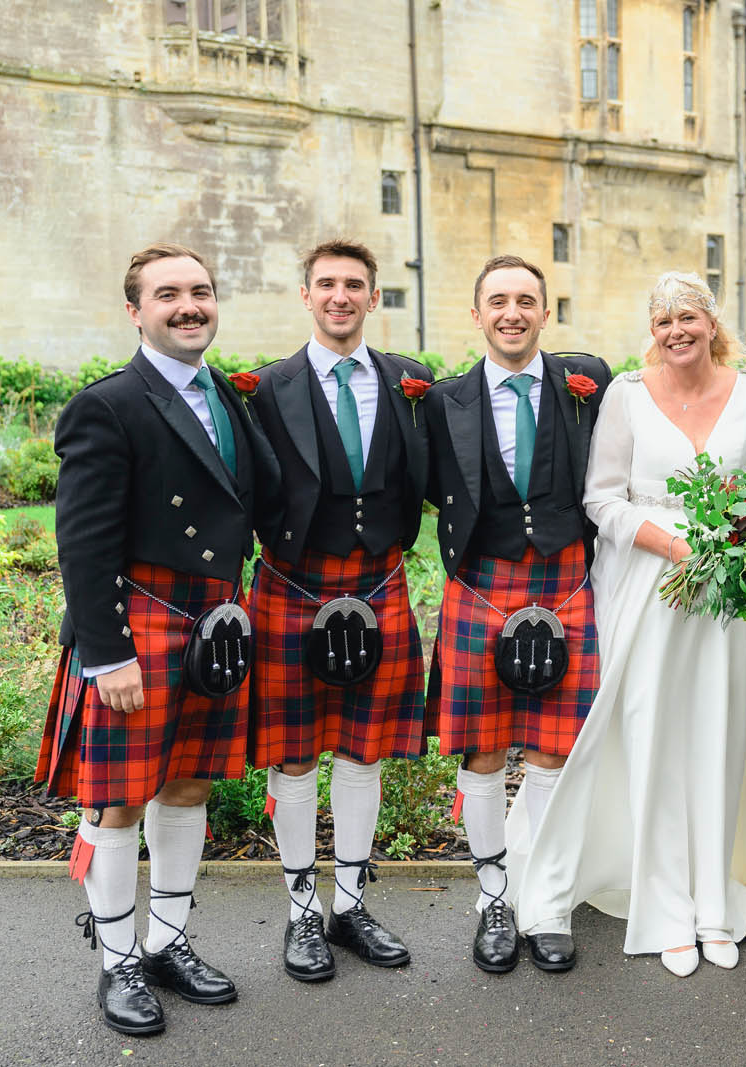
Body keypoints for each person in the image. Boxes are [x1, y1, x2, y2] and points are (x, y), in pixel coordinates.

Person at [516, 272, 746, 977]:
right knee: (654, 736)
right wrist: (672, 544)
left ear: (710, 321)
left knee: (721, 736)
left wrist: (739, 542)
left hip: (730, 596)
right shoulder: (626, 394)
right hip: (648, 588)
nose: (675, 331)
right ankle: (664, 910)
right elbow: (601, 498)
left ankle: (715, 903)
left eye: (687, 316)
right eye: (663, 321)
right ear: (651, 330)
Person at [37, 243, 280, 1035]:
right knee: (117, 803)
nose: (189, 305)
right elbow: (83, 544)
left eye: (201, 292)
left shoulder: (229, 397)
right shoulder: (108, 404)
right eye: (168, 293)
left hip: (212, 626)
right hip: (139, 625)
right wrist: (107, 652)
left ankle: (167, 942)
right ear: (135, 309)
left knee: (187, 788)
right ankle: (117, 963)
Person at [245, 239, 433, 983]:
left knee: (364, 749)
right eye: (326, 283)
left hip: (380, 581)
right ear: (305, 294)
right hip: (294, 583)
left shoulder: (410, 380)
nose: (340, 296)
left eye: (354, 284)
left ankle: (349, 905)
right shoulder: (262, 387)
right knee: (295, 753)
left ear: (372, 298)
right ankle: (300, 914)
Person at [423, 254, 610, 975]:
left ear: (545, 312)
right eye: (498, 300)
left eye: (526, 300)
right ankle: (495, 897)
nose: (512, 312)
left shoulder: (586, 384)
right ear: (477, 315)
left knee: (554, 752)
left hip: (565, 581)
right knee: (482, 749)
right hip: (481, 584)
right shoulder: (442, 401)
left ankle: (549, 900)